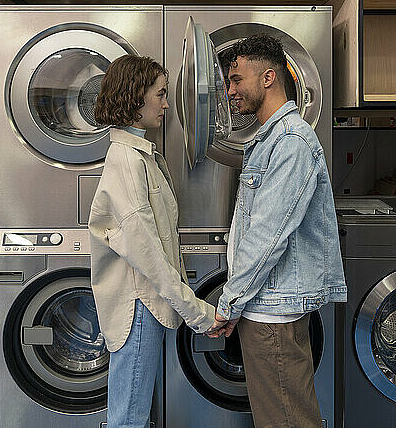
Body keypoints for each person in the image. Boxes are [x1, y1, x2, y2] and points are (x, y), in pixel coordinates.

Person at [207, 34, 347, 428]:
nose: (230, 89)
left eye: (236, 79)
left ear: (268, 78)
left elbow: (268, 236)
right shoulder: (270, 140)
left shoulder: (290, 143)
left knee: (286, 420)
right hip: (266, 304)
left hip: (273, 311)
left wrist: (229, 302)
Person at [88, 54, 225, 428]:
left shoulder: (138, 155)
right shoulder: (127, 162)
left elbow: (158, 244)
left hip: (146, 304)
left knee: (129, 416)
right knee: (128, 420)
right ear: (136, 98)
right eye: (161, 95)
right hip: (138, 307)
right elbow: (148, 254)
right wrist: (197, 313)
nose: (166, 104)